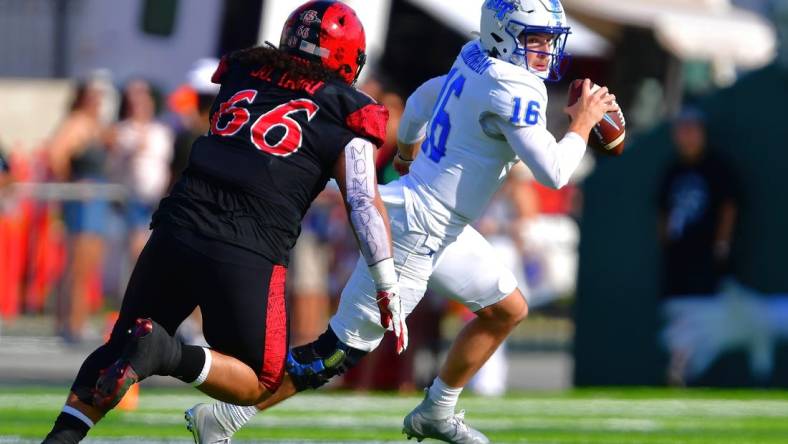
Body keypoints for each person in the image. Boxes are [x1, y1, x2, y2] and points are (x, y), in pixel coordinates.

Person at [186, 0, 618, 443]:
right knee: (338, 352)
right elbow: (555, 172)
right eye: (536, 39)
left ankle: (437, 411)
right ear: (503, 34)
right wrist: (582, 124)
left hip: (439, 222)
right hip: (420, 227)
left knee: (505, 311)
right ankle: (223, 417)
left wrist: (407, 152)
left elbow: (421, 100)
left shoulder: (476, 57)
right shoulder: (515, 87)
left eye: (549, 39)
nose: (546, 50)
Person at [42, 1, 404, 442]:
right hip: (249, 243)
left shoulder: (242, 71)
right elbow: (363, 202)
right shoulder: (350, 109)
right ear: (349, 58)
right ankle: (168, 354)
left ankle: (60, 439)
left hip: (179, 222)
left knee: (121, 344)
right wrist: (385, 281)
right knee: (260, 380)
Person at [657, 106, 739, 385]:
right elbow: (663, 211)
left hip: (705, 253)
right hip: (679, 254)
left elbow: (729, 206)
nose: (687, 136)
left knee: (704, 311)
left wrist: (722, 243)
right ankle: (680, 365)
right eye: (682, 130)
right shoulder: (673, 169)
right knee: (677, 309)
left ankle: (695, 368)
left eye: (692, 130)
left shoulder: (716, 167)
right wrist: (665, 239)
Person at [48, 80, 112, 344]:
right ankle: (72, 322)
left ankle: (74, 319)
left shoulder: (94, 125)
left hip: (96, 196)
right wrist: (71, 183)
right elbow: (56, 155)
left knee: (88, 263)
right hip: (85, 198)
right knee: (80, 264)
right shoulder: (76, 123)